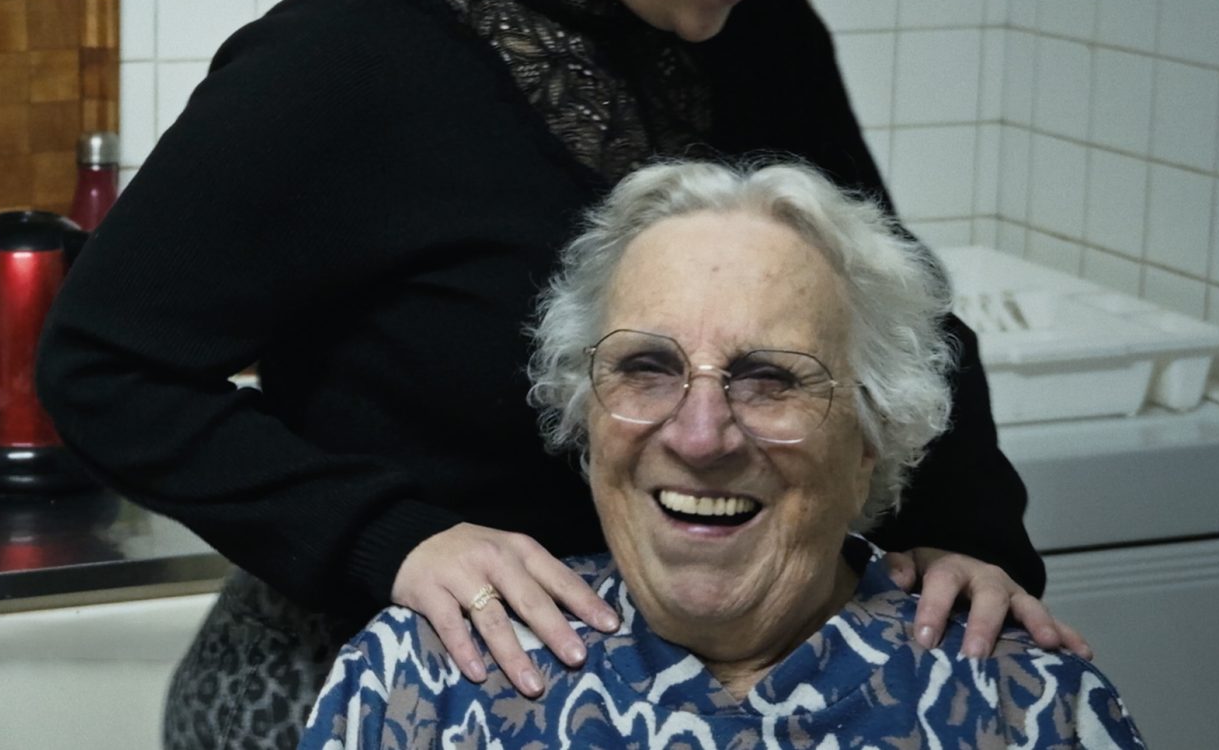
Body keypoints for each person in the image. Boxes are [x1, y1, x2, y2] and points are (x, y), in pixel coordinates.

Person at [37, 0, 1081, 744]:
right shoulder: (342, 64)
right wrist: (390, 536)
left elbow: (901, 320)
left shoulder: (759, 30)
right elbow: (102, 364)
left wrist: (970, 538)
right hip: (387, 690)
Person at [300, 160, 1143, 748]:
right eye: (646, 367)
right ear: (585, 415)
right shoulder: (424, 682)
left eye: (770, 378)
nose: (700, 436)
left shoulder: (1024, 705)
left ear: (871, 436)